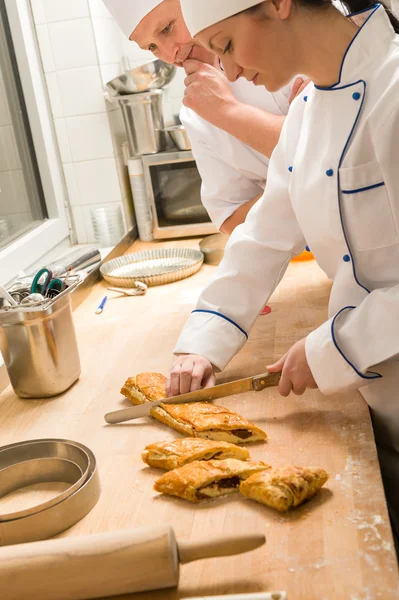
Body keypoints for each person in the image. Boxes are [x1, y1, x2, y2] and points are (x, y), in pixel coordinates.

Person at [169, 0, 399, 548]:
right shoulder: (307, 111)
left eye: (225, 45)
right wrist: (204, 340)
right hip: (381, 400)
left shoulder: (393, 85)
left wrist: (331, 346)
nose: (226, 72)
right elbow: (265, 233)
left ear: (278, 4)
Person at [103, 0, 305, 234]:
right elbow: (231, 220)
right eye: (152, 47)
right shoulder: (195, 110)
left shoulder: (285, 34)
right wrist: (301, 180)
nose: (170, 55)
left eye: (167, 28)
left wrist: (226, 111)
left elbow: (331, 147)